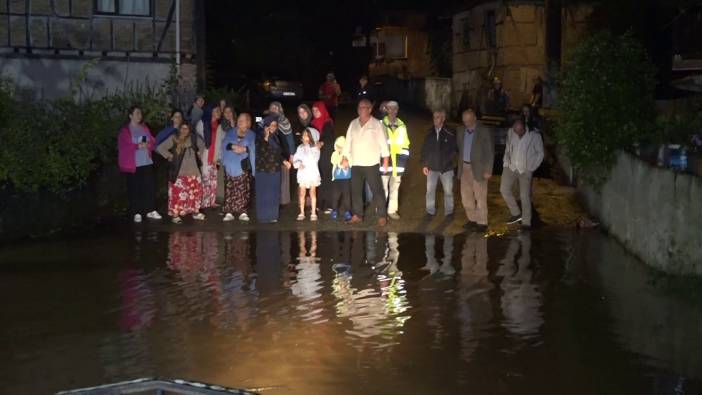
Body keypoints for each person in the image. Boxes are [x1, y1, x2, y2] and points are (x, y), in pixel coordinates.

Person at [341, 98, 390, 226]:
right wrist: (344, 157)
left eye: (363, 108)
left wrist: (385, 161)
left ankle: (382, 216)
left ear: (370, 109)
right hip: (356, 163)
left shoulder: (376, 124)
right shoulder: (353, 123)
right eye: (359, 107)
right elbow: (348, 142)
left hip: (371, 164)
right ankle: (358, 215)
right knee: (356, 191)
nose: (360, 110)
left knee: (377, 191)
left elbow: (384, 143)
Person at [118, 105, 162, 223]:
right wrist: (137, 146)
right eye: (137, 113)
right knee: (135, 188)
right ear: (130, 116)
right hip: (133, 164)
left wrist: (149, 144)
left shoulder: (144, 127)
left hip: (146, 162)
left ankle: (150, 210)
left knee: (149, 186)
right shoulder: (125, 131)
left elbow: (152, 141)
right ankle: (136, 212)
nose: (139, 116)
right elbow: (124, 147)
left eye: (140, 113)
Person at [156, 123, 207, 224]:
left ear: (189, 129)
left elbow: (202, 145)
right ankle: (175, 215)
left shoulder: (193, 138)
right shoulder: (174, 138)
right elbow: (160, 148)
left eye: (187, 128)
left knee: (194, 194)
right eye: (182, 128)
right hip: (179, 172)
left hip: (194, 171)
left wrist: (199, 153)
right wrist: (169, 155)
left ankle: (195, 212)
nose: (184, 130)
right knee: (177, 195)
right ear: (179, 129)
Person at [500, 119, 544, 230]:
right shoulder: (511, 132)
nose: (516, 133)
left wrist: (532, 167)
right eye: (515, 130)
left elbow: (540, 153)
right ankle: (516, 213)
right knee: (504, 189)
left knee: (524, 196)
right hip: (511, 167)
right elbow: (508, 147)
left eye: (519, 131)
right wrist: (506, 162)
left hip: (525, 169)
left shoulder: (534, 136)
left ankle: (526, 223)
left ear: (524, 128)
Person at [457, 109, 494, 232]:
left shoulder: (483, 130)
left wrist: (488, 169)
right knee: (466, 197)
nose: (466, 123)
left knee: (480, 197)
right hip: (464, 167)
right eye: (464, 121)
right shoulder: (460, 130)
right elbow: (459, 149)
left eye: (468, 120)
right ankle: (472, 219)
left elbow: (489, 151)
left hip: (479, 168)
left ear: (474, 118)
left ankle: (482, 222)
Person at [420, 109, 458, 217]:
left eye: (437, 117)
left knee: (448, 192)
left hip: (446, 168)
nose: (435, 119)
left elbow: (455, 150)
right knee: (430, 191)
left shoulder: (450, 133)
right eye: (434, 117)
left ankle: (449, 212)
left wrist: (449, 162)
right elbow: (425, 149)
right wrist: (425, 164)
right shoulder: (430, 133)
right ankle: (430, 211)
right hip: (432, 168)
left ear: (443, 118)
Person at [255, 115, 292, 223]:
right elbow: (260, 151)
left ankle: (272, 215)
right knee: (263, 193)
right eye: (271, 125)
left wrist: (284, 161)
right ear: (266, 126)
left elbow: (277, 152)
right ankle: (262, 216)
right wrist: (266, 138)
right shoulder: (259, 136)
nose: (273, 127)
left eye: (275, 125)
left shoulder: (276, 137)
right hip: (262, 169)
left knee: (273, 193)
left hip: (274, 169)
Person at [221, 113, 256, 222]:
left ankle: (242, 211)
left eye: (243, 120)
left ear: (248, 122)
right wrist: (233, 146)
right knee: (229, 188)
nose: (240, 121)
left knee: (243, 189)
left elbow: (254, 147)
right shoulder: (230, 132)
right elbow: (224, 144)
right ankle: (228, 211)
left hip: (243, 164)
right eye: (239, 119)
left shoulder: (251, 134)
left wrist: (245, 149)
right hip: (230, 163)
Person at [380, 101, 410, 220]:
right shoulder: (381, 124)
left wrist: (403, 160)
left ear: (397, 110)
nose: (392, 111)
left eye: (394, 109)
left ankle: (392, 210)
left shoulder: (402, 126)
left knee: (395, 187)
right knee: (383, 187)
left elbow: (406, 144)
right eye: (390, 109)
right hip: (385, 161)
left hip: (398, 162)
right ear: (387, 110)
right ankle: (382, 212)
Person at [196, 106, 224, 209]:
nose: (219, 112)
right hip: (205, 154)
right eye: (216, 110)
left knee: (213, 179)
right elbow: (198, 139)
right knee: (205, 178)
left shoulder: (219, 126)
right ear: (210, 111)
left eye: (219, 110)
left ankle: (212, 201)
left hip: (215, 155)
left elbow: (219, 142)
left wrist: (219, 157)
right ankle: (204, 202)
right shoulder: (202, 123)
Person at [268, 101, 296, 206]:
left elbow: (290, 138)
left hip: (283, 152)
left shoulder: (285, 121)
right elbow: (256, 121)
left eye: (276, 108)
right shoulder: (264, 119)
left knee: (283, 177)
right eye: (272, 108)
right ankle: (271, 199)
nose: (274, 110)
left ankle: (281, 201)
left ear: (280, 109)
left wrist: (292, 154)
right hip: (269, 153)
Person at [311, 101, 336, 213]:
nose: (315, 112)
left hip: (326, 154)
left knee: (327, 178)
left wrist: (321, 143)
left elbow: (329, 137)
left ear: (322, 110)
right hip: (316, 155)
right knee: (318, 178)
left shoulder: (328, 122)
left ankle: (329, 204)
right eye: (314, 110)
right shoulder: (313, 123)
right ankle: (320, 204)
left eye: (317, 110)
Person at [292, 128, 321, 221]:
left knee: (312, 192)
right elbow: (296, 159)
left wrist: (304, 162)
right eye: (304, 135)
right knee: (302, 193)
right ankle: (302, 212)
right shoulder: (300, 148)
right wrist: (298, 164)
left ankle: (313, 212)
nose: (305, 137)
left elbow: (315, 159)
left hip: (312, 172)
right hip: (303, 173)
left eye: (307, 135)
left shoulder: (315, 148)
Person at [330, 136, 352, 221]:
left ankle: (348, 212)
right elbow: (333, 161)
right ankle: (334, 210)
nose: (340, 148)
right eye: (338, 146)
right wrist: (340, 163)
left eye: (342, 147)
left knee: (347, 195)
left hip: (346, 178)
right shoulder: (334, 153)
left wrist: (347, 163)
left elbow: (351, 162)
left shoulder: (348, 154)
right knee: (335, 196)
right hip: (337, 178)